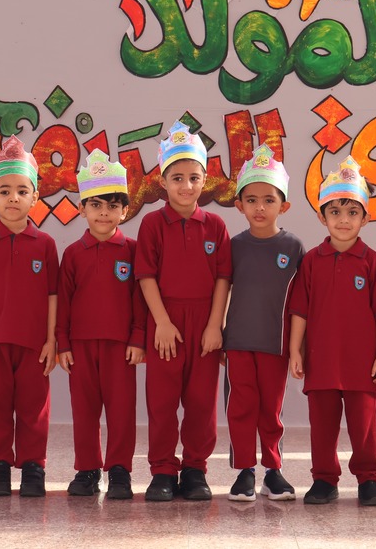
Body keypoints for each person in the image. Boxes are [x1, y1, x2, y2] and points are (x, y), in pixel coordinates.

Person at [288, 156, 376, 506]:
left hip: (361, 362)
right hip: (321, 361)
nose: (344, 220)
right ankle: (324, 479)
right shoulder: (311, 261)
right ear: (322, 217)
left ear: (365, 218)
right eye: (335, 212)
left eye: (352, 212)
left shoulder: (372, 261)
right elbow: (300, 310)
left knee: (364, 426)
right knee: (322, 426)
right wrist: (295, 350)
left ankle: (368, 479)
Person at [135, 121, 231, 502]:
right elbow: (145, 276)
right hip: (166, 323)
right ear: (163, 181)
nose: (186, 186)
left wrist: (215, 326)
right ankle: (162, 469)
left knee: (201, 401)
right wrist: (161, 321)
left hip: (204, 323)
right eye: (177, 178)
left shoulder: (216, 226)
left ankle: (194, 469)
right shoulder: (152, 224)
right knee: (161, 400)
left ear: (205, 180)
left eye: (194, 178)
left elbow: (223, 279)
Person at [0, 136, 58, 498]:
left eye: (22, 191)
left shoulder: (45, 245)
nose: (13, 198)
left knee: (34, 408)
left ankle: (34, 466)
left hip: (34, 344)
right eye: (5, 191)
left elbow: (53, 296)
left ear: (35, 197)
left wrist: (51, 339)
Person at [57, 149, 146, 499]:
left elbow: (140, 298)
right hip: (80, 346)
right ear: (82, 209)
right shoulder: (72, 254)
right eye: (95, 205)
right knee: (84, 411)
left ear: (124, 211)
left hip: (120, 346)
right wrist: (63, 343)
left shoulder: (133, 250)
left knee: (122, 410)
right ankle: (87, 469)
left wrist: (138, 338)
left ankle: (120, 470)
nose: (104, 212)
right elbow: (64, 301)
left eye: (112, 205)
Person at [222, 143, 304, 502]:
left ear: (283, 206)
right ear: (239, 205)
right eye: (251, 200)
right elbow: (222, 291)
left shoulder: (294, 248)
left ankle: (273, 471)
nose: (260, 207)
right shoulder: (233, 246)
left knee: (271, 410)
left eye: (269, 200)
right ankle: (244, 471)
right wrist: (219, 334)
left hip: (276, 344)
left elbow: (302, 304)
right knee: (240, 407)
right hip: (238, 343)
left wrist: (298, 348)